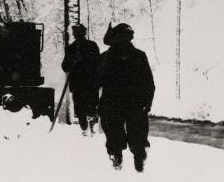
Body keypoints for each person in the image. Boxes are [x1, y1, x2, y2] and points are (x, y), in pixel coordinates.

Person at [98, 23, 155, 172]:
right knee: (122, 134)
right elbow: (96, 81)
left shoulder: (135, 56)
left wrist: (146, 103)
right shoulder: (107, 57)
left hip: (125, 102)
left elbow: (148, 83)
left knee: (128, 135)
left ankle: (132, 161)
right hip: (121, 102)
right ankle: (128, 160)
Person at [62, 23, 100, 135]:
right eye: (76, 32)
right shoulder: (70, 49)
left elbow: (98, 62)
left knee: (92, 106)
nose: (77, 35)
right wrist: (72, 61)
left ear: (84, 33)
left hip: (91, 83)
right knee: (79, 109)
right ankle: (84, 128)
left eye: (79, 32)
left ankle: (93, 127)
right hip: (78, 84)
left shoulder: (92, 46)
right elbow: (65, 67)